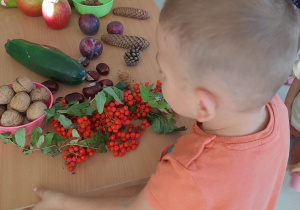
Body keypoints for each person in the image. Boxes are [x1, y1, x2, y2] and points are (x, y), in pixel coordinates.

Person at [33, 0, 298, 209]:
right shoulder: (272, 107)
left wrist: (63, 203)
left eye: (164, 74)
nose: (158, 79)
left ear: (203, 104)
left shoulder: (188, 174)